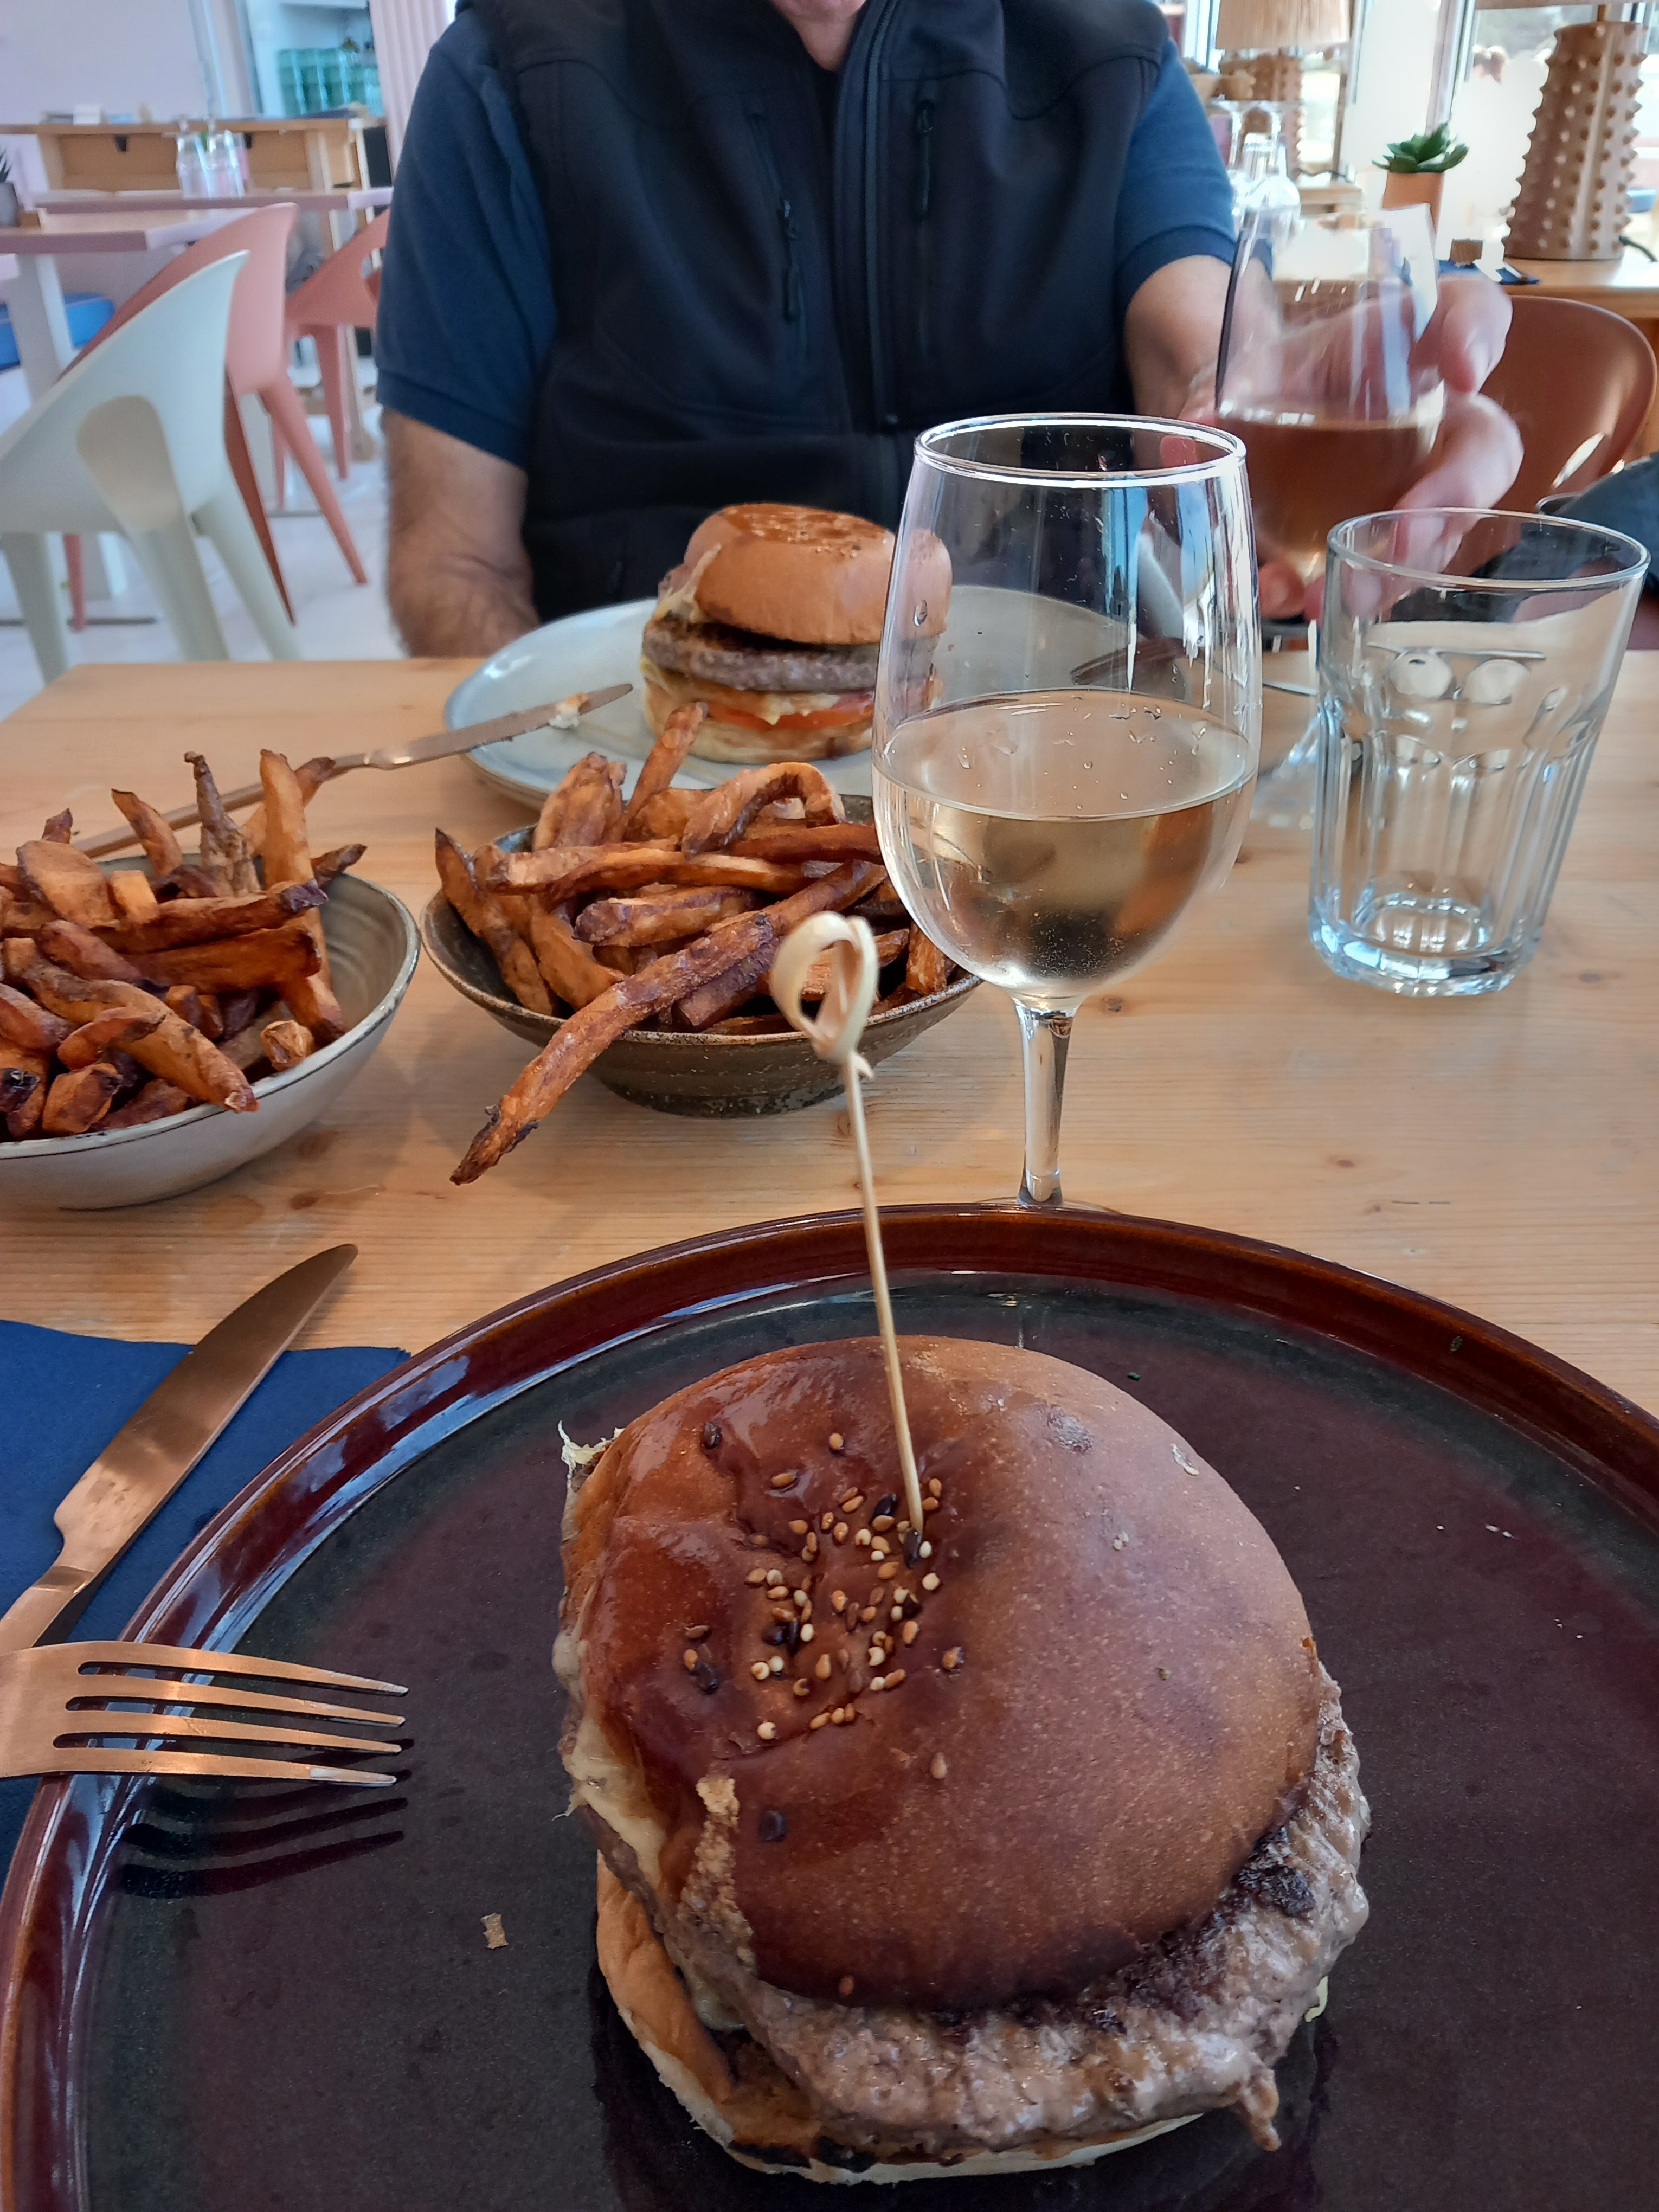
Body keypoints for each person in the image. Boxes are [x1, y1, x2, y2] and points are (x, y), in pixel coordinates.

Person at [376, 0, 1518, 654]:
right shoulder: (511, 71)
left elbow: (1198, 354)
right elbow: (454, 565)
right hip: (651, 792)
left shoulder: (1106, 53)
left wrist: (1261, 407)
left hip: (1058, 763)